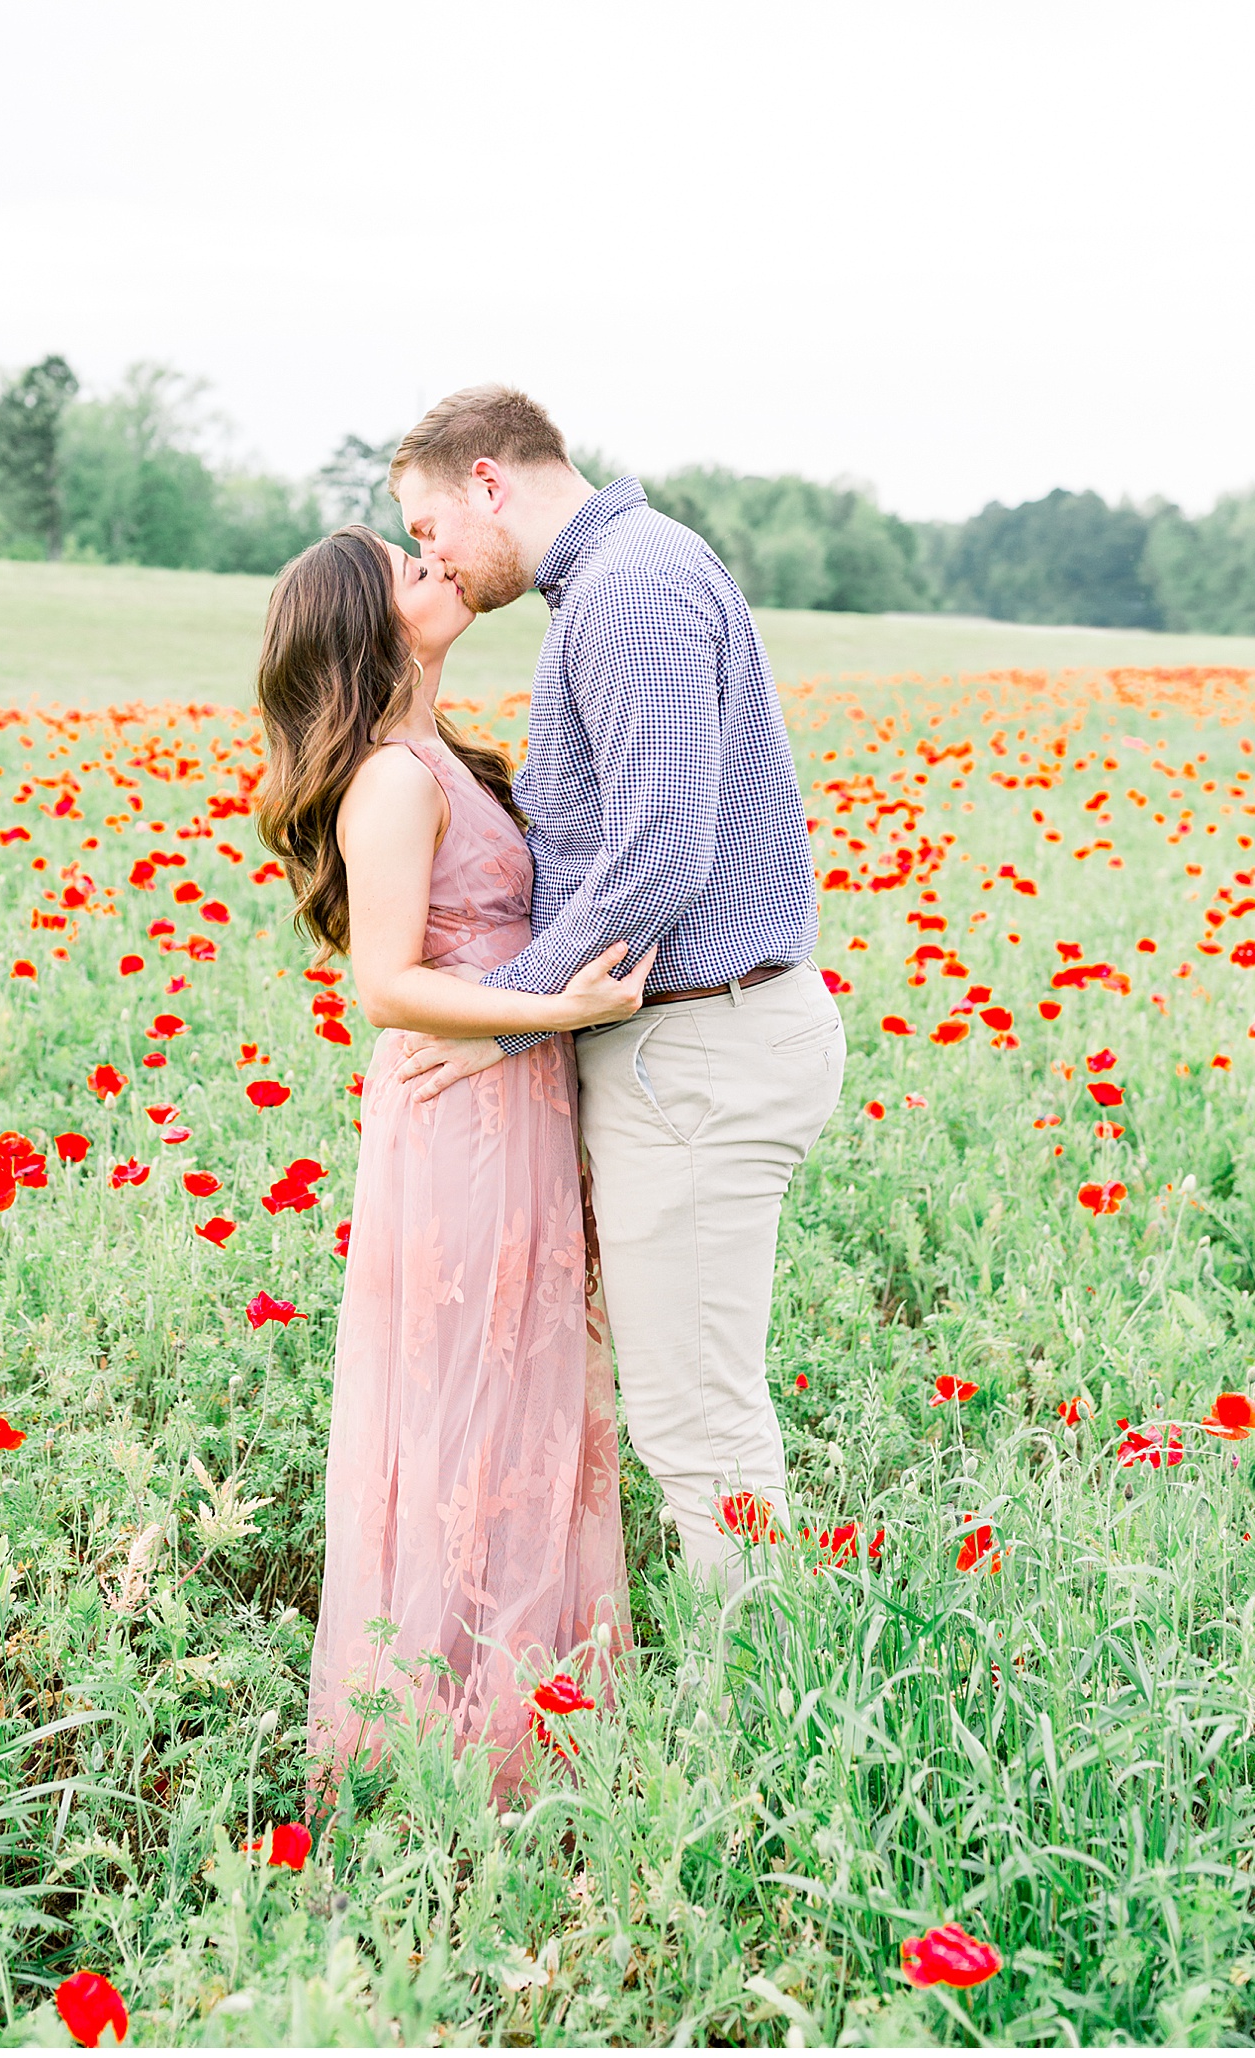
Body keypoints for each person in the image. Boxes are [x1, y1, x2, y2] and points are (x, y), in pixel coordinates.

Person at [389, 385, 845, 1581]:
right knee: (693, 1410)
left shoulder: (630, 587)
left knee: (698, 1425)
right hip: (690, 1044)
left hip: (698, 1049)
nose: (428, 553)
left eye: (430, 522)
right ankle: (751, 1697)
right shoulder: (608, 583)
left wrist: (513, 1021)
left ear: (489, 479)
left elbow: (659, 855)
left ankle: (757, 1722)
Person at [256, 525, 643, 1788]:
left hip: (513, 1107)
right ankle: (444, 1749)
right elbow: (385, 984)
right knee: (465, 1408)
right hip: (457, 1126)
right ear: (367, 622)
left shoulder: (445, 758)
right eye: (400, 567)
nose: (433, 567)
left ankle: (526, 1724)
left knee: (524, 1398)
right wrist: (557, 1015)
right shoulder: (390, 781)